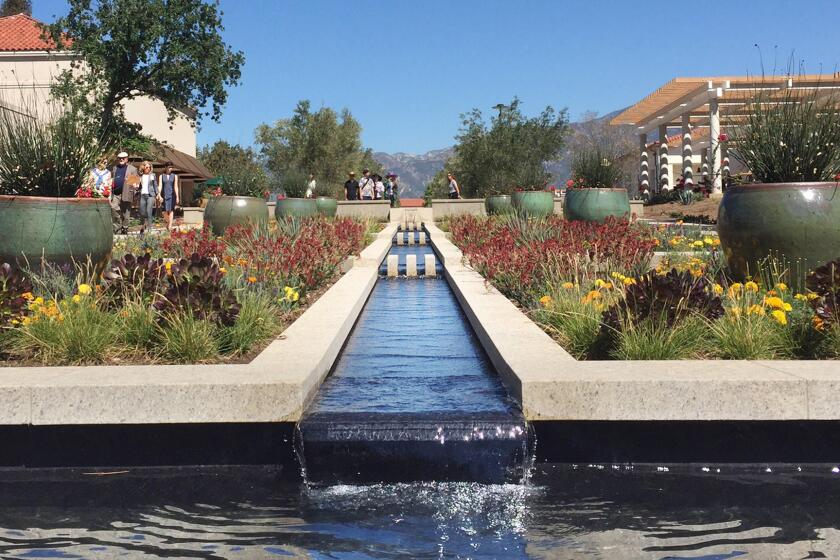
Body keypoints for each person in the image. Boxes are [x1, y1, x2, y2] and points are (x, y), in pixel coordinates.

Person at [110, 151, 139, 235]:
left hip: (127, 193)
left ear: (127, 159)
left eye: (123, 158)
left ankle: (125, 228)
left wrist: (134, 194)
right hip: (116, 193)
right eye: (119, 158)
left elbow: (135, 184)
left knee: (126, 213)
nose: (121, 159)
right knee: (114, 208)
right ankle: (117, 227)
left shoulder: (132, 169)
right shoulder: (115, 168)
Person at [157, 161, 180, 230]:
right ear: (166, 167)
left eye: (172, 167)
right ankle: (168, 222)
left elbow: (176, 186)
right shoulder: (161, 176)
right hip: (164, 195)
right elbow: (160, 186)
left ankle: (170, 226)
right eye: (169, 167)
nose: (171, 169)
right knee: (164, 211)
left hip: (172, 195)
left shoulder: (175, 176)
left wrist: (177, 196)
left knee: (171, 210)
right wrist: (159, 194)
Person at [138, 161, 157, 235]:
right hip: (143, 195)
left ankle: (150, 227)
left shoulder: (153, 175)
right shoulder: (140, 176)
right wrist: (135, 186)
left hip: (151, 195)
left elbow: (155, 185)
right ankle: (144, 225)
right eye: (146, 167)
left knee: (149, 211)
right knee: (142, 213)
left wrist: (157, 194)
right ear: (143, 167)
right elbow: (138, 187)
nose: (148, 169)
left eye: (149, 167)